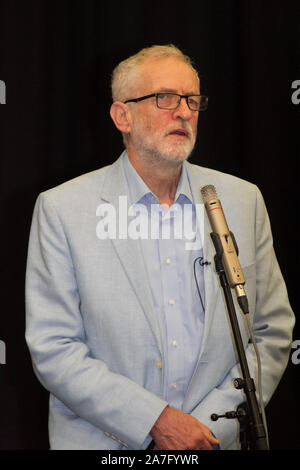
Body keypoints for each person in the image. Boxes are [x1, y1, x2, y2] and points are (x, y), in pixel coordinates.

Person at [25, 44, 295, 450]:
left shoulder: (241, 201)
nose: (184, 112)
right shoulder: (63, 209)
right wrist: (154, 422)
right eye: (164, 98)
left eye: (192, 100)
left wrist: (207, 429)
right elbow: (55, 348)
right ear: (122, 116)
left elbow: (270, 333)